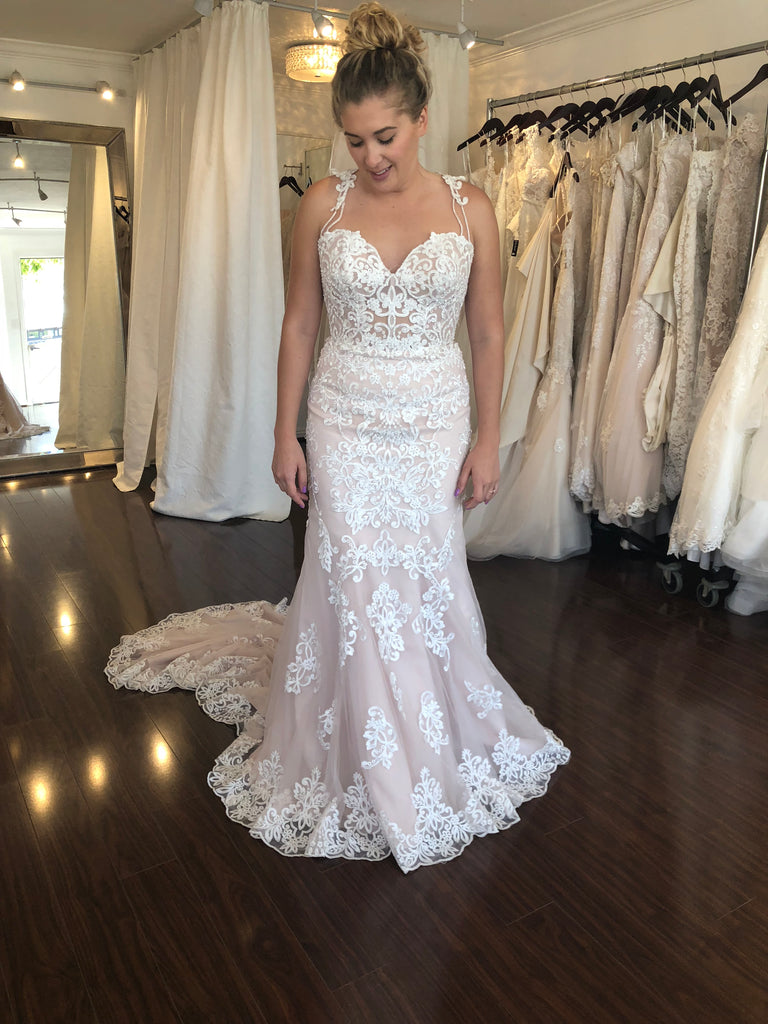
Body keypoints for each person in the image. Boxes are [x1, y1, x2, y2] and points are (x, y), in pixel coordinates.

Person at [106, 2, 570, 873]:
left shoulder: (470, 209)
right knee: (353, 576)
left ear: (422, 118)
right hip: (345, 416)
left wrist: (487, 440)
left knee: (423, 574)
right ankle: (354, 753)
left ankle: (426, 743)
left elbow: (489, 332)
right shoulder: (323, 204)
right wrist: (285, 435)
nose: (371, 157)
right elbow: (298, 326)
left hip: (432, 419)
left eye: (385, 137)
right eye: (355, 140)